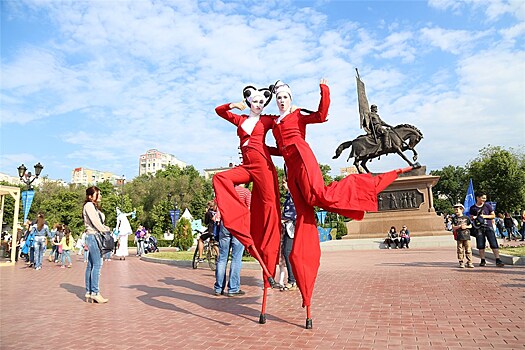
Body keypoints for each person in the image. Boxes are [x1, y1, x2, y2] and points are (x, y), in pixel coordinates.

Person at [270, 78, 409, 328]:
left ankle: (368, 184)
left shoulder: (298, 115)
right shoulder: (275, 122)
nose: (281, 100)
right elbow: (280, 148)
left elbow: (322, 115)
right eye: (278, 97)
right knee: (304, 217)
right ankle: (305, 290)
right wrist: (261, 149)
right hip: (289, 168)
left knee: (318, 196)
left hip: (303, 159)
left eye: (285, 96)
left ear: (290, 98)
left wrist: (324, 90)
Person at [212, 85, 282, 305]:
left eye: (263, 102)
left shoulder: (268, 120)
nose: (259, 105)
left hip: (262, 167)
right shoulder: (241, 119)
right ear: (249, 101)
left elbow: (284, 124)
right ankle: (239, 217)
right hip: (246, 167)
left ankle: (270, 265)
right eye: (256, 101)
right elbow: (219, 111)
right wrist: (233, 105)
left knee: (270, 208)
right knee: (220, 178)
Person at [83, 186, 110, 303]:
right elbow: (95, 222)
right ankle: (95, 292)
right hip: (94, 236)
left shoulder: (92, 206)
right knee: (97, 265)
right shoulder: (89, 206)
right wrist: (105, 231)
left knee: (91, 265)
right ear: (90, 196)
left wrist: (104, 228)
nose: (100, 196)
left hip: (93, 236)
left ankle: (89, 292)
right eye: (97, 194)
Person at [469, 191, 504, 267]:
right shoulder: (473, 208)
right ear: (478, 198)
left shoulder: (487, 206)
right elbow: (471, 217)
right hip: (479, 228)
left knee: (493, 243)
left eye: (485, 198)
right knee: (481, 244)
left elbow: (493, 216)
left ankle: (498, 259)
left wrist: (484, 216)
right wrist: (474, 218)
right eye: (483, 198)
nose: (484, 199)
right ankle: (482, 260)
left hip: (488, 226)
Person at [280, 177, 297, 291]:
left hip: (291, 226)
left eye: (284, 183)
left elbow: (293, 213)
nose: (283, 185)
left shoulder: (293, 196)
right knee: (287, 252)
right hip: (288, 227)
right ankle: (292, 279)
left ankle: (292, 280)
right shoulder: (289, 197)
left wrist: (284, 219)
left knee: (287, 252)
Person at [452, 204, 474, 268]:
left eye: (457, 209)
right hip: (459, 236)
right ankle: (461, 262)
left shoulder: (466, 218)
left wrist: (466, 226)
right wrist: (458, 226)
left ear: (461, 210)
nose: (456, 211)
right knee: (460, 250)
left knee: (468, 249)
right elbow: (453, 227)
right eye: (455, 210)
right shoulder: (454, 218)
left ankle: (469, 262)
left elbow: (470, 225)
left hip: (466, 236)